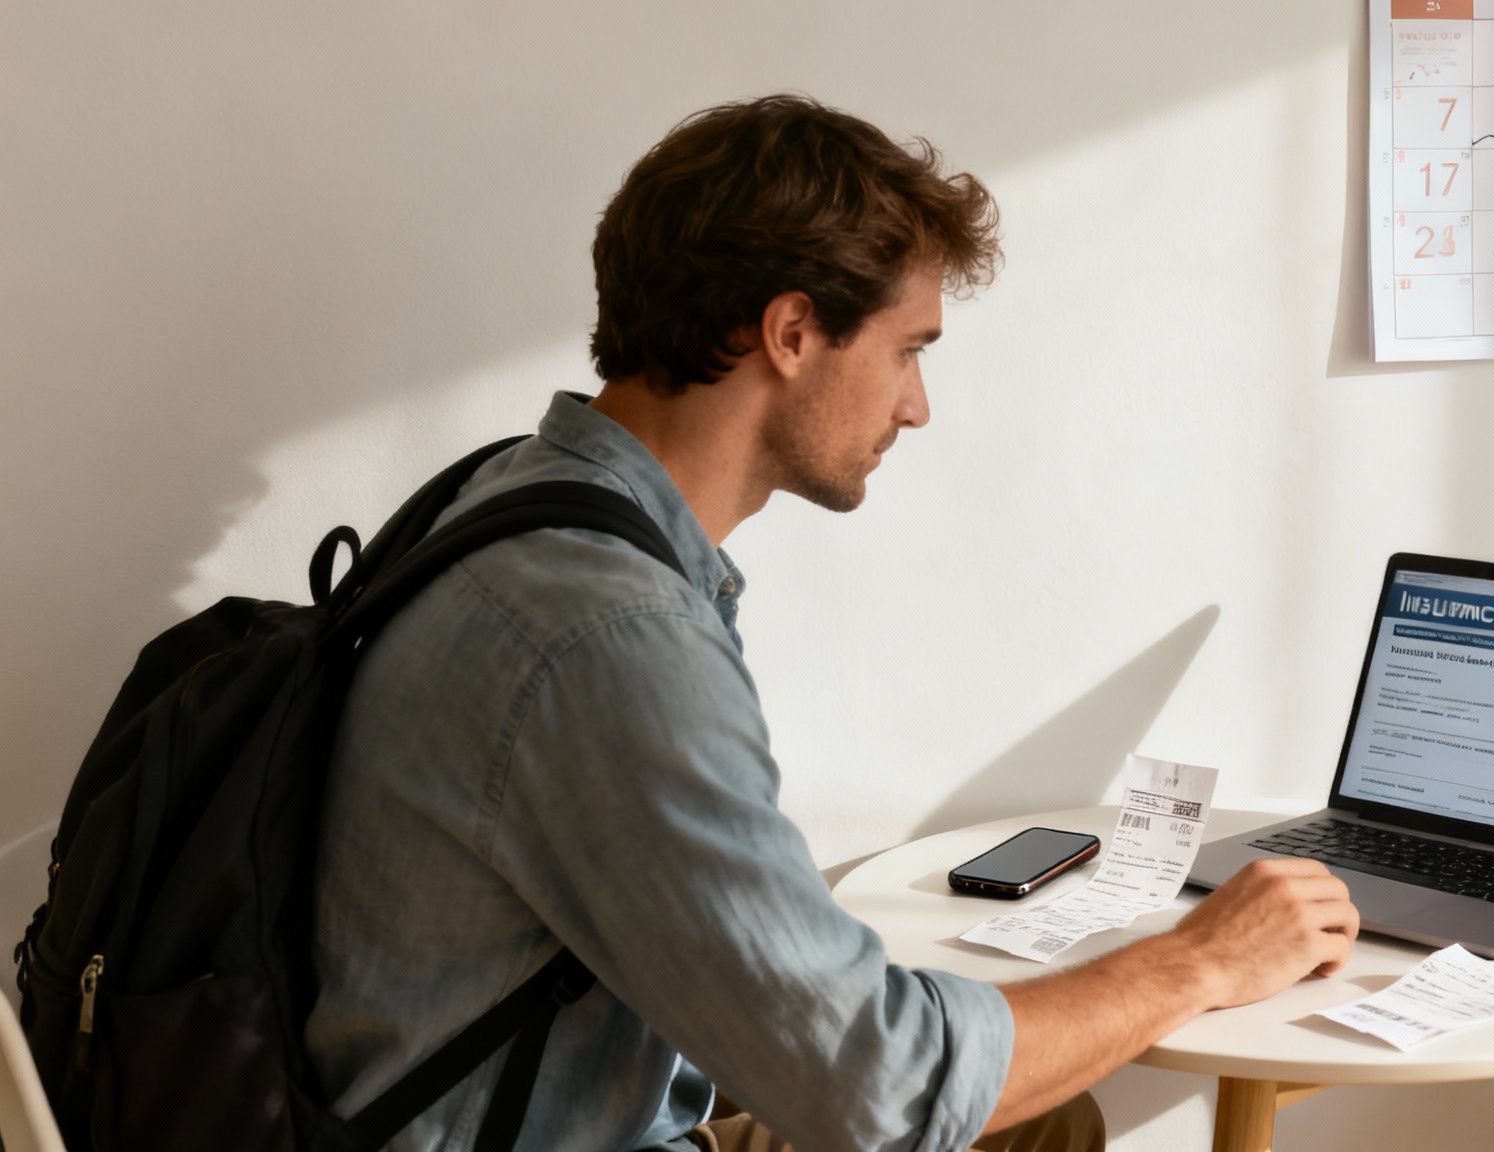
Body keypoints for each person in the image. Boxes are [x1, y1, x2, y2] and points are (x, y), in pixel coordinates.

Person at [306, 93, 1361, 1152]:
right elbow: (877, 1094)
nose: (916, 406)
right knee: (1018, 1118)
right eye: (908, 350)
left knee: (1041, 1123)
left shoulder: (507, 497)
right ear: (793, 332)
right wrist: (1199, 962)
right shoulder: (611, 636)